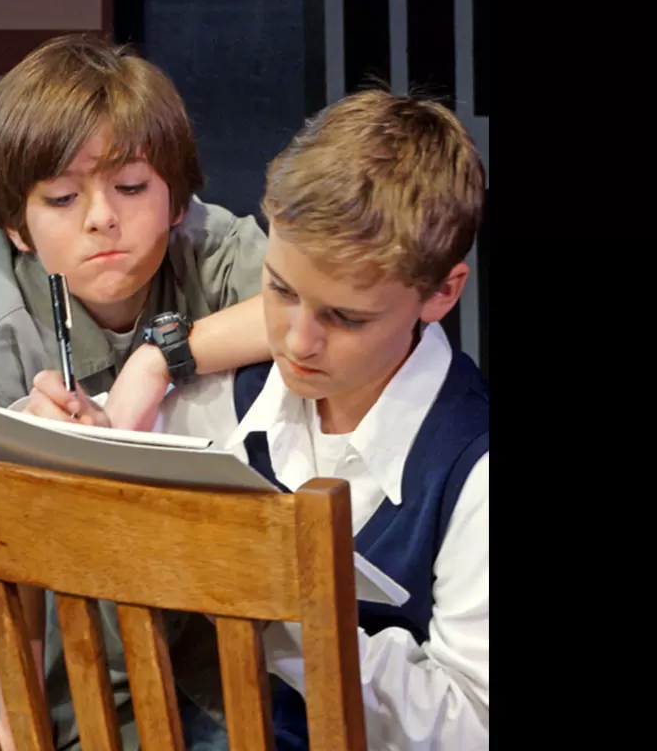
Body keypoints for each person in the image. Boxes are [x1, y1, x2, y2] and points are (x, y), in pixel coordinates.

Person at [26, 88, 489, 749]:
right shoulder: (240, 393)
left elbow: (471, 723)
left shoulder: (471, 472)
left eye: (345, 317)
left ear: (442, 292)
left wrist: (289, 616)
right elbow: (106, 459)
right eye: (280, 289)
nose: (297, 342)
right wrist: (65, 432)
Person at [0, 33, 276, 749]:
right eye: (63, 198)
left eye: (130, 187)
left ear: (176, 198)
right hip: (64, 673)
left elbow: (311, 308)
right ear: (16, 226)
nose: (102, 218)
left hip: (214, 640)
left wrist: (158, 358)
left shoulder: (200, 242)